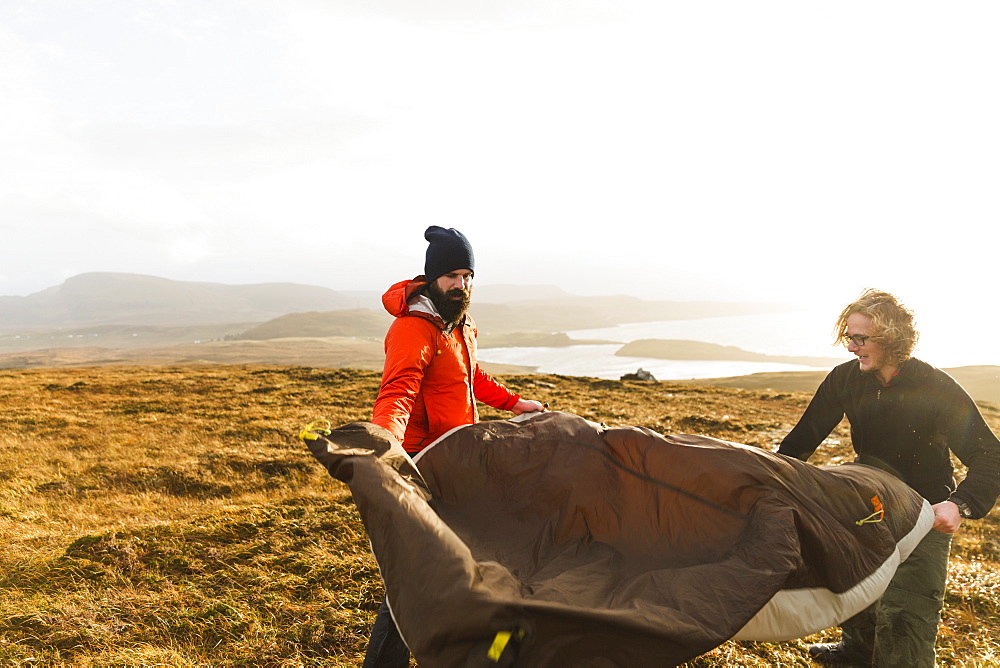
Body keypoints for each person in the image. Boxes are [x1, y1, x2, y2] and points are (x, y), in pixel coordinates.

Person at [777, 288, 1000, 667]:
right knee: (857, 588)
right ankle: (857, 653)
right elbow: (801, 441)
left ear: (892, 339)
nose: (850, 346)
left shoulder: (935, 386)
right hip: (867, 504)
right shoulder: (844, 380)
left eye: (860, 339)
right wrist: (771, 480)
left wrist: (960, 504)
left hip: (923, 513)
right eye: (849, 336)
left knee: (906, 617)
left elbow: (989, 454)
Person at [364, 225, 544, 667]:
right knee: (420, 574)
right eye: (452, 276)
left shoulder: (460, 324)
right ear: (432, 278)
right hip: (427, 466)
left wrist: (514, 402)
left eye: (468, 276)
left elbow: (470, 377)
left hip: (462, 462)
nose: (461, 285)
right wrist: (384, 440)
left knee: (476, 560)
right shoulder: (414, 329)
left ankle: (493, 650)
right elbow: (399, 391)